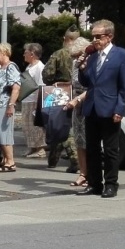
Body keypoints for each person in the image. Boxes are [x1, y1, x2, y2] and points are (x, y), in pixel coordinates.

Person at [76, 19, 125, 198]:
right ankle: (94, 184)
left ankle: (111, 184)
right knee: (91, 148)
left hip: (109, 108)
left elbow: (124, 86)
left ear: (109, 36)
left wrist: (120, 109)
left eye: (98, 37)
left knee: (110, 150)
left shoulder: (122, 55)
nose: (95, 40)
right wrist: (82, 67)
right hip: (91, 107)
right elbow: (86, 83)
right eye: (92, 37)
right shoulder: (92, 57)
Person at [42, 26, 80, 169]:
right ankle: (54, 159)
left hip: (60, 91)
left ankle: (74, 159)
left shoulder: (59, 54)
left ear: (65, 39)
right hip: (79, 93)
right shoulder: (83, 53)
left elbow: (47, 75)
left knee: (59, 124)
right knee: (72, 125)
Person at [63, 37, 92, 188]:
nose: (76, 57)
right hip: (77, 106)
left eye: (78, 54)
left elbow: (93, 88)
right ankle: (83, 173)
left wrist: (77, 100)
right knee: (79, 140)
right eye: (74, 55)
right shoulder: (76, 63)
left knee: (90, 141)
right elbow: (74, 83)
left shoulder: (93, 62)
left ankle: (91, 174)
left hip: (89, 104)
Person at [0, 43, 21, 172]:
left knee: (4, 132)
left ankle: (10, 161)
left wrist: (11, 105)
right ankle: (5, 159)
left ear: (3, 53)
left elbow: (16, 87)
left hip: (5, 104)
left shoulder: (11, 67)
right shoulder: (1, 68)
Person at [21, 43, 47, 158]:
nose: (23, 54)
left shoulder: (40, 67)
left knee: (35, 125)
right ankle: (32, 147)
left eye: (25, 52)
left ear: (32, 54)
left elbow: (41, 86)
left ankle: (40, 149)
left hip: (34, 101)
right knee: (27, 125)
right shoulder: (29, 67)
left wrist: (38, 105)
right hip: (26, 99)